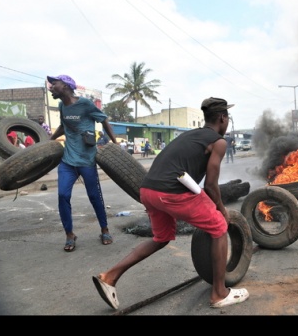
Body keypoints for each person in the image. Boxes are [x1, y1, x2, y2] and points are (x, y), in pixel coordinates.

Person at [92, 97, 249, 310]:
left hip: (147, 190)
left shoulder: (189, 136)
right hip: (171, 191)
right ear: (223, 118)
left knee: (161, 238)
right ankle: (220, 293)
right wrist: (222, 209)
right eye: (227, 118)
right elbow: (211, 185)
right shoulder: (218, 141)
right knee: (220, 227)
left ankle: (110, 276)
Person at [47, 74, 117, 252]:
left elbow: (103, 119)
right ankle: (70, 234)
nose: (51, 86)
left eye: (54, 84)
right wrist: (49, 140)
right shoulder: (62, 105)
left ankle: (104, 229)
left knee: (94, 196)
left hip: (87, 160)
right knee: (63, 195)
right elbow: (64, 125)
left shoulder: (85, 104)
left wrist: (115, 143)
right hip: (68, 161)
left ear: (66, 85)